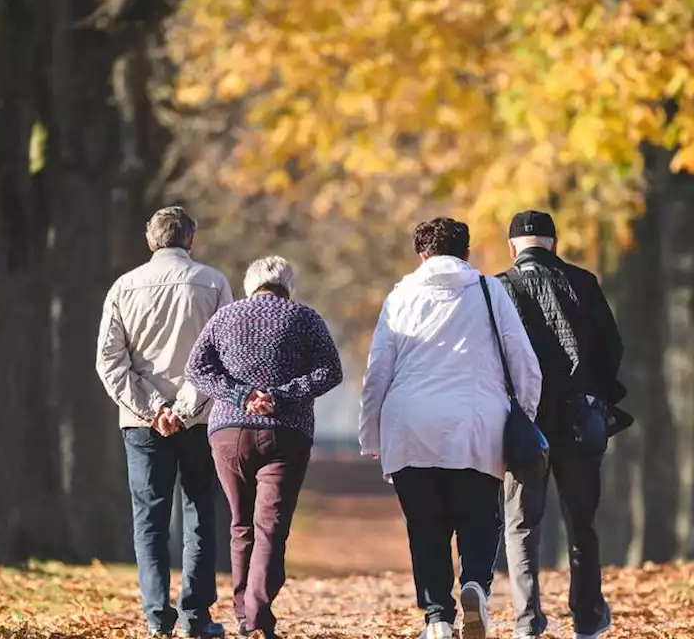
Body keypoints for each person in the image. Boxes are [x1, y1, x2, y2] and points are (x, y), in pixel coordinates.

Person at [359, 217, 542, 639]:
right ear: (467, 252)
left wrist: (372, 434)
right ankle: (476, 582)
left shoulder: (401, 295)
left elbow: (378, 372)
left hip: (409, 425)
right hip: (477, 422)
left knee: (425, 526)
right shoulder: (489, 290)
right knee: (480, 516)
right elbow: (524, 363)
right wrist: (523, 418)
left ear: (421, 254)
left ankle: (438, 617)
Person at [184, 256, 343, 639]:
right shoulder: (305, 317)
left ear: (250, 284)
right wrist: (279, 396)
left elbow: (197, 370)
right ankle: (256, 614)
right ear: (287, 285)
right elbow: (330, 372)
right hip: (286, 432)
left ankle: (245, 616)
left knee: (241, 525)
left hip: (228, 433)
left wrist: (242, 396)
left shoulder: (224, 317)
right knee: (270, 527)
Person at [95, 206, 232, 639]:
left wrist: (154, 408)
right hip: (201, 420)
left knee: (149, 519)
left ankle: (157, 617)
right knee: (200, 514)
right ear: (191, 239)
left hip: (140, 423)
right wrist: (184, 407)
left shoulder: (124, 287)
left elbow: (109, 361)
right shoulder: (212, 283)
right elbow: (221, 357)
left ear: (151, 240)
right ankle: (195, 616)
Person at [497, 210, 625, 639]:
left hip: (523, 422)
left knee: (521, 524)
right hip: (579, 420)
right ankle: (588, 618)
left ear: (512, 246)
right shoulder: (583, 282)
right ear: (555, 242)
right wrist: (600, 395)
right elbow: (612, 346)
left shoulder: (498, 288)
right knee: (582, 522)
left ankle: (527, 621)